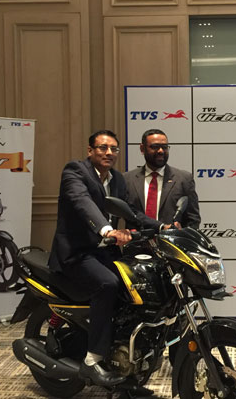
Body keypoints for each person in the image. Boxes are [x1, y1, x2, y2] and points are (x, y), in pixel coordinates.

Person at [48, 130, 167, 389]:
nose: (109, 153)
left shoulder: (117, 180)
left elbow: (130, 211)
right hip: (77, 253)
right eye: (103, 148)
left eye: (114, 149)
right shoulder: (75, 171)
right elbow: (82, 203)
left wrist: (161, 227)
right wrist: (106, 230)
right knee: (108, 284)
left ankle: (124, 346)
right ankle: (92, 360)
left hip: (103, 252)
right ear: (90, 150)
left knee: (137, 284)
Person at [124, 129, 200, 229]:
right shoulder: (127, 179)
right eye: (155, 147)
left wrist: (182, 234)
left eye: (164, 147)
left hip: (172, 238)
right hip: (137, 238)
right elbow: (128, 213)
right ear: (142, 149)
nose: (160, 151)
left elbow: (193, 220)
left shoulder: (184, 179)